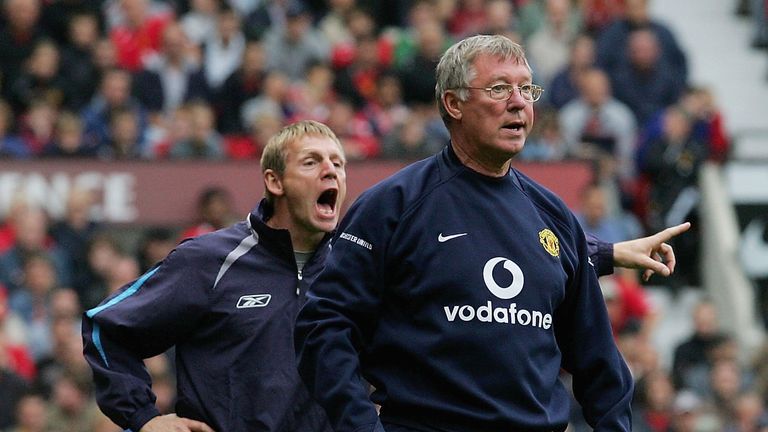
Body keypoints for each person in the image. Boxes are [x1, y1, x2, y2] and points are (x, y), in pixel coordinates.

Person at [294, 34, 635, 432]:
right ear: (453, 104)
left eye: (527, 89)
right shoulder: (393, 206)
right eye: (499, 88)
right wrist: (360, 425)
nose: (519, 102)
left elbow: (599, 360)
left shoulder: (555, 217)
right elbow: (323, 328)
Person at [81, 120, 346, 432]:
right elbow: (106, 328)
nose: (331, 171)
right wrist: (145, 418)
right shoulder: (209, 261)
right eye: (311, 162)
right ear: (275, 182)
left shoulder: (356, 268)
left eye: (338, 163)